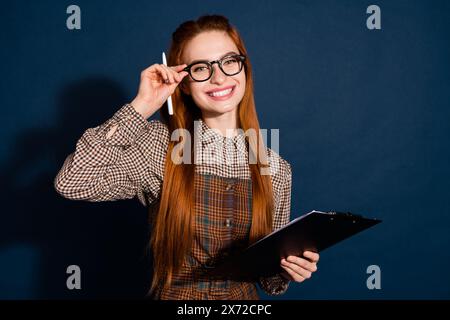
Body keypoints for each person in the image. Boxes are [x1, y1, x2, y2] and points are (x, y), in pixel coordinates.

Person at [54, 14, 319, 300]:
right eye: (201, 68)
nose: (220, 77)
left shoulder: (276, 168)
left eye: (229, 61)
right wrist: (142, 105)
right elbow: (73, 182)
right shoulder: (159, 147)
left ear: (244, 69)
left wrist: (289, 268)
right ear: (184, 83)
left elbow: (270, 283)